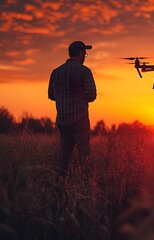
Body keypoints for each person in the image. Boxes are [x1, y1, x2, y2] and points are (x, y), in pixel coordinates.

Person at [48, 41, 97, 179]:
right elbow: (92, 95)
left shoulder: (56, 72)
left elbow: (51, 95)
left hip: (62, 120)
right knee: (84, 155)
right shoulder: (84, 71)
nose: (85, 57)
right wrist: (80, 98)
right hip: (80, 119)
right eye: (85, 54)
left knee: (63, 156)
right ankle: (85, 185)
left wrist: (64, 97)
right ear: (80, 53)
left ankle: (60, 185)